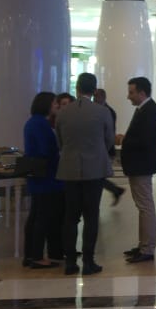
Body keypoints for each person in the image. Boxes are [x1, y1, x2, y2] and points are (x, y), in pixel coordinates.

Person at [55, 72, 115, 276]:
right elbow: (109, 139)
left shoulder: (63, 112)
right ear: (94, 90)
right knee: (91, 216)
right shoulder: (102, 112)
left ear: (77, 88)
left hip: (69, 169)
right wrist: (96, 151)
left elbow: (60, 140)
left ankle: (70, 262)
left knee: (70, 217)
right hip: (94, 170)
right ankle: (89, 261)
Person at [117, 76, 156, 264]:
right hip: (139, 165)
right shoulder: (145, 109)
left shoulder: (149, 111)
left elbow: (144, 140)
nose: (128, 96)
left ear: (142, 93)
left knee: (145, 207)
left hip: (141, 165)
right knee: (143, 206)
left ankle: (147, 248)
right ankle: (144, 244)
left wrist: (123, 139)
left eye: (131, 92)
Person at [23, 91, 64, 269]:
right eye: (54, 103)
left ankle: (30, 254)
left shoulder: (33, 122)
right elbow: (46, 150)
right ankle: (37, 256)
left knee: (35, 216)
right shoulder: (41, 124)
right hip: (46, 177)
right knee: (42, 218)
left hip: (38, 176)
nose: (56, 106)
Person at [93, 88, 126, 205]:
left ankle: (116, 190)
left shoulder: (108, 112)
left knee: (97, 177)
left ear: (103, 97)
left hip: (105, 149)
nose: (94, 99)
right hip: (103, 149)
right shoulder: (105, 110)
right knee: (98, 177)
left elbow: (108, 133)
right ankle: (116, 190)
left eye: (96, 97)